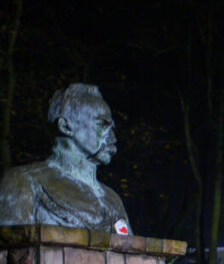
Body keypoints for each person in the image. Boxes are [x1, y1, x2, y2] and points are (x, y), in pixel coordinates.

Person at [0, 84, 133, 233]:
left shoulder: (112, 199)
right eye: (102, 125)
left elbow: (134, 253)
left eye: (112, 128)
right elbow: (11, 250)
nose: (112, 137)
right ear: (66, 126)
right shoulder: (23, 181)